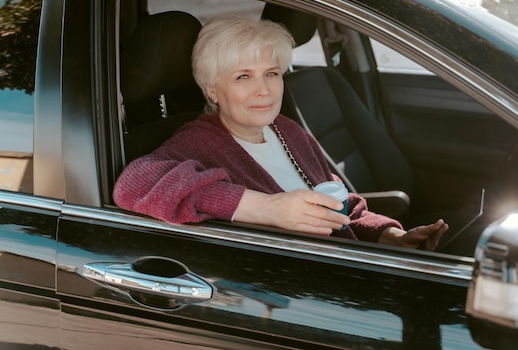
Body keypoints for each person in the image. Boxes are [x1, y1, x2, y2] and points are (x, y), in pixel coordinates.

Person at [113, 14, 448, 251]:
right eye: (243, 77)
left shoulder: (286, 130)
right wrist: (268, 208)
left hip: (347, 268)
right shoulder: (197, 142)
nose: (265, 91)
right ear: (212, 90)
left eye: (271, 73)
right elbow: (133, 184)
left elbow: (339, 205)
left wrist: (391, 236)